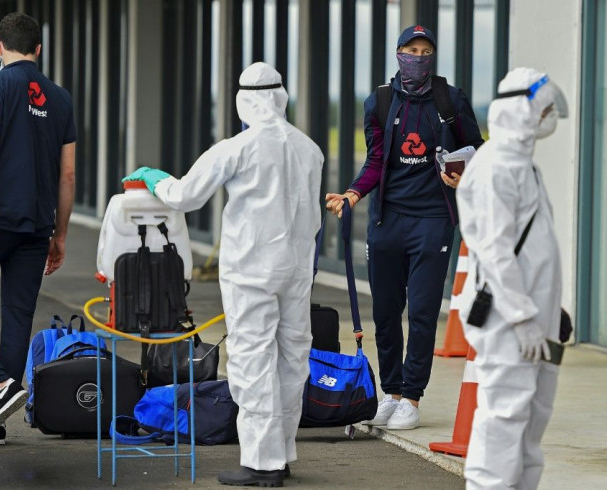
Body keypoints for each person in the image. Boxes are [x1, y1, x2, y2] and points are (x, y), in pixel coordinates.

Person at [123, 62, 323, 487]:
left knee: (253, 362)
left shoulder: (237, 147)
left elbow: (185, 195)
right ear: (281, 96)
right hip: (296, 270)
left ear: (244, 99)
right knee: (292, 360)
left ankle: (260, 462)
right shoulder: (310, 148)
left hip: (252, 271)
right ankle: (282, 453)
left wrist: (155, 179)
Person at [326, 25, 483, 430]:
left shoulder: (451, 99)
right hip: (387, 222)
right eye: (411, 49)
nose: (418, 56)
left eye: (425, 50)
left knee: (424, 313)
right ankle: (390, 392)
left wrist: (461, 175)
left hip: (434, 220)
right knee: (386, 312)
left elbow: (476, 151)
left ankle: (411, 398)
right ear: (398, 54)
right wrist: (352, 195)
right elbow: (376, 162)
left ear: (433, 56)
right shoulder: (379, 101)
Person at [0, 12, 77, 445]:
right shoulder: (61, 98)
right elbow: (68, 176)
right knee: (17, 319)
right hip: (37, 227)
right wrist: (59, 236)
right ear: (39, 50)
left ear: (0, 47)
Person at [456, 67, 567, 489]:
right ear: (522, 111)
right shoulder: (496, 167)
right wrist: (522, 316)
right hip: (507, 321)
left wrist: (549, 311)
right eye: (545, 109)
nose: (550, 116)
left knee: (529, 425)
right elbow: (495, 250)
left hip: (532, 319)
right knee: (503, 419)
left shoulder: (521, 164)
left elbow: (533, 250)